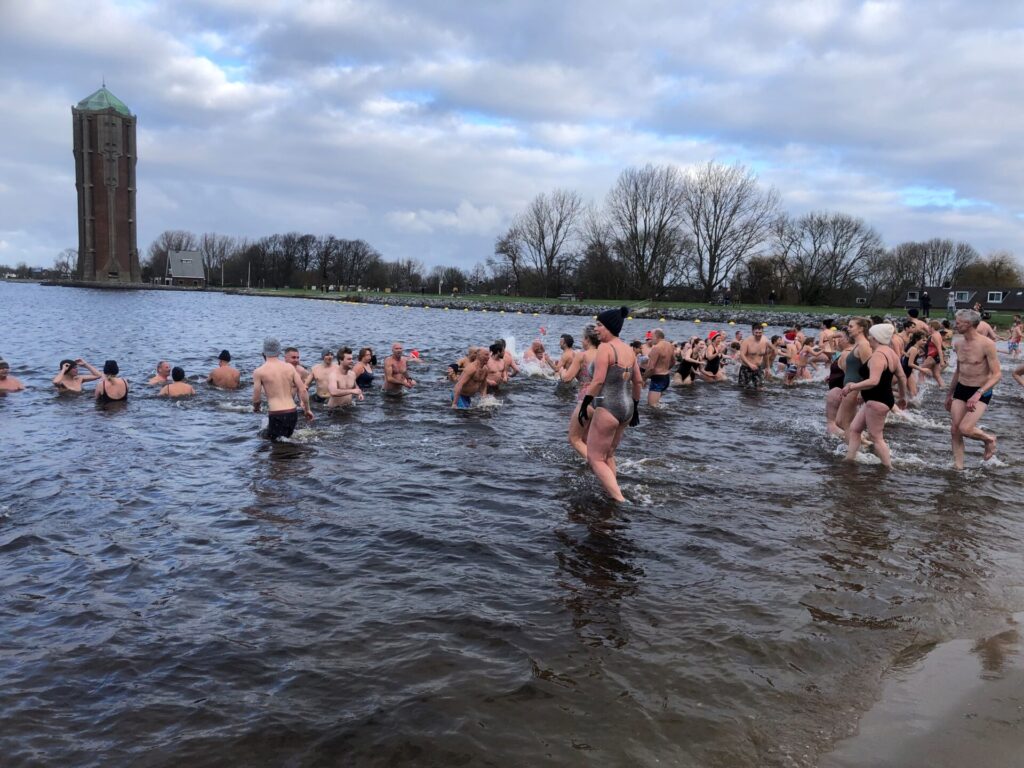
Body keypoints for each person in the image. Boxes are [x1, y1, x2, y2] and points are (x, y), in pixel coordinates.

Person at [578, 307, 642, 502]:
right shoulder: (629, 350)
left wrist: (585, 404)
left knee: (595, 458)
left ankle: (620, 500)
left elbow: (597, 381)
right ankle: (612, 492)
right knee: (608, 455)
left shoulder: (606, 348)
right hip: (627, 407)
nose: (596, 329)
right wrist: (636, 408)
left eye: (599, 325)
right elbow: (638, 381)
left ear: (609, 327)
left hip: (608, 406)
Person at [842, 324, 908, 469]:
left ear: (877, 338)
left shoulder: (878, 355)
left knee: (876, 437)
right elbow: (902, 377)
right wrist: (903, 397)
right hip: (878, 399)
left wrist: (852, 387)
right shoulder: (891, 353)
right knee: (854, 429)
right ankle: (849, 459)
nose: (869, 338)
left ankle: (888, 468)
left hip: (877, 401)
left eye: (871, 336)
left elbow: (874, 380)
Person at [946, 309, 1001, 469]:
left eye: (958, 323)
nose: (955, 325)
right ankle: (959, 467)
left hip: (981, 390)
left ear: (969, 324)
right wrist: (949, 394)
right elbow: (958, 370)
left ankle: (989, 439)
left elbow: (997, 375)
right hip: (961, 389)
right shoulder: (958, 343)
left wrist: (978, 394)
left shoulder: (987, 344)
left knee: (965, 428)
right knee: (955, 430)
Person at [253, 338, 314, 440]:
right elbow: (303, 390)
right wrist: (307, 410)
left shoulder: (259, 371)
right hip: (292, 412)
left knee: (275, 447)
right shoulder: (290, 367)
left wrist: (256, 407)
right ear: (279, 351)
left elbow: (256, 398)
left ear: (264, 352)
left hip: (276, 413)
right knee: (288, 442)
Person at [561, 324, 600, 458]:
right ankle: (590, 466)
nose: (581, 341)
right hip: (603, 399)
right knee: (586, 439)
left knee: (574, 439)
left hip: (586, 399)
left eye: (582, 338)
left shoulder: (582, 355)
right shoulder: (605, 354)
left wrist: (561, 370)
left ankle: (596, 465)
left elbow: (567, 378)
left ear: (588, 339)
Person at [836, 317, 873, 433]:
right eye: (848, 326)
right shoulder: (857, 344)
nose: (848, 328)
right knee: (840, 422)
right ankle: (864, 443)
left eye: (851, 326)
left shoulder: (864, 345)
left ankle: (855, 450)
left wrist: (862, 391)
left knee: (844, 423)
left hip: (855, 388)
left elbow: (868, 370)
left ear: (861, 329)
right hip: (849, 388)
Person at [643, 328, 675, 404]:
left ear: (656, 337)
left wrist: (643, 378)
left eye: (652, 337)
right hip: (666, 378)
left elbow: (651, 368)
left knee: (652, 406)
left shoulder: (656, 348)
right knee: (658, 404)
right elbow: (673, 362)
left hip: (657, 379)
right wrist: (666, 369)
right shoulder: (670, 345)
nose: (650, 339)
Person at [737, 324, 770, 390]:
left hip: (758, 368)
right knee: (743, 389)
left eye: (760, 332)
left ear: (763, 332)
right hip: (746, 368)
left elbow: (766, 355)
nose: (758, 334)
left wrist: (768, 368)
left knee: (760, 389)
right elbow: (742, 355)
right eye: (756, 333)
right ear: (753, 332)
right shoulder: (746, 341)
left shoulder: (765, 341)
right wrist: (750, 364)